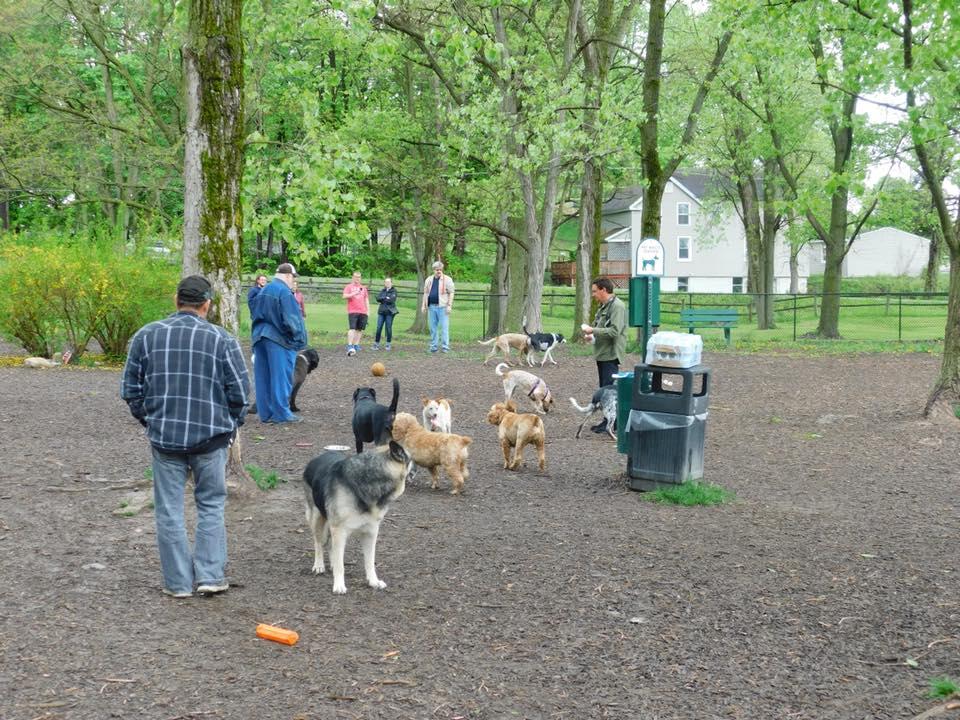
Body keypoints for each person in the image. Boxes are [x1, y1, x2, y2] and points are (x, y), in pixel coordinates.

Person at [121, 275, 249, 598]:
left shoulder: (146, 337)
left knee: (169, 510)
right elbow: (240, 393)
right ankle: (210, 575)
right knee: (210, 505)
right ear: (207, 304)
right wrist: (232, 422)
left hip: (165, 438)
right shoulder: (222, 340)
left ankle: (178, 583)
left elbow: (131, 390)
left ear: (176, 299)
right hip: (211, 437)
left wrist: (149, 420)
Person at [250, 263, 307, 423]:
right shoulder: (284, 292)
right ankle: (282, 414)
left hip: (259, 337)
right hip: (279, 339)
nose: (293, 281)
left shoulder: (263, 290)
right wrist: (299, 339)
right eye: (293, 278)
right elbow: (292, 319)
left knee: (263, 376)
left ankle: (266, 414)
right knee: (281, 376)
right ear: (288, 276)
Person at [581, 277, 627, 434]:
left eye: (595, 291)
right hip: (602, 353)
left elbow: (615, 331)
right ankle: (608, 421)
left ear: (603, 290)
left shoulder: (617, 307)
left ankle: (612, 423)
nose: (593, 294)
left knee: (610, 391)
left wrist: (593, 331)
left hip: (611, 354)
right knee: (605, 389)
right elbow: (602, 327)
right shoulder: (603, 306)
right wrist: (591, 336)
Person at [421, 260, 455, 353]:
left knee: (444, 328)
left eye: (440, 269)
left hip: (443, 307)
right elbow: (426, 293)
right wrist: (423, 305)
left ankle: (445, 347)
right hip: (432, 307)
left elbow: (451, 293)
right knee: (433, 328)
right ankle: (433, 347)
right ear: (433, 270)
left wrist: (449, 306)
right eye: (437, 270)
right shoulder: (429, 280)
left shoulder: (447, 279)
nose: (439, 271)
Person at [342, 270, 369, 356]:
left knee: (359, 329)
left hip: (363, 311)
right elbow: (344, 296)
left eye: (359, 277)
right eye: (356, 277)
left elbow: (366, 299)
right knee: (352, 328)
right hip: (353, 311)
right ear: (353, 277)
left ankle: (356, 344)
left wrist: (368, 310)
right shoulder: (349, 287)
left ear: (360, 278)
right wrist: (353, 293)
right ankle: (350, 345)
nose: (357, 278)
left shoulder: (363, 288)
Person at [374, 277, 398, 350]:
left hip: (389, 313)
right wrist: (385, 297)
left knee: (388, 328)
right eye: (386, 282)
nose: (387, 283)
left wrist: (383, 298)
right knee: (378, 328)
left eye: (389, 282)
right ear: (384, 283)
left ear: (391, 283)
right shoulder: (383, 290)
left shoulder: (394, 291)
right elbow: (378, 298)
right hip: (381, 312)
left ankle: (388, 344)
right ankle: (376, 344)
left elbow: (391, 300)